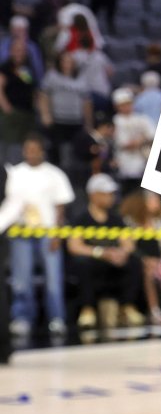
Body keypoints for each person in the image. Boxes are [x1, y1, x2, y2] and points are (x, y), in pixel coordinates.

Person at [0, 134, 74, 338]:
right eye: (27, 149)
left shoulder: (54, 174)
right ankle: (22, 318)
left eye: (34, 149)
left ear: (42, 151)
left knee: (53, 278)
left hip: (47, 232)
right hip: (21, 232)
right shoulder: (14, 173)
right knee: (21, 279)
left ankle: (56, 319)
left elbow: (60, 207)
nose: (30, 153)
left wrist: (57, 235)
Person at [66, 173, 142, 330]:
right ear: (93, 195)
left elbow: (129, 244)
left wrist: (121, 252)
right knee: (82, 263)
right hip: (94, 261)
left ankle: (127, 307)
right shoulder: (81, 219)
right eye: (107, 193)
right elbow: (74, 246)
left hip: (113, 262)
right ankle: (87, 310)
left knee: (134, 261)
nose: (111, 197)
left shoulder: (116, 219)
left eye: (112, 193)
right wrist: (101, 253)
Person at [120, 190, 161, 325]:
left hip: (159, 260)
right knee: (149, 273)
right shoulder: (131, 223)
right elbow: (129, 247)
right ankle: (154, 310)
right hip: (140, 262)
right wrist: (144, 260)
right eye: (154, 200)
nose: (158, 204)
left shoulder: (159, 223)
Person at [111, 87, 155, 195]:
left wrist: (141, 140)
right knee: (127, 193)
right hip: (124, 162)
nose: (126, 106)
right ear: (116, 106)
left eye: (128, 103)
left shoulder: (142, 118)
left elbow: (153, 136)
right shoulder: (115, 121)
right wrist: (142, 139)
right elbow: (124, 144)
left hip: (142, 161)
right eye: (123, 104)